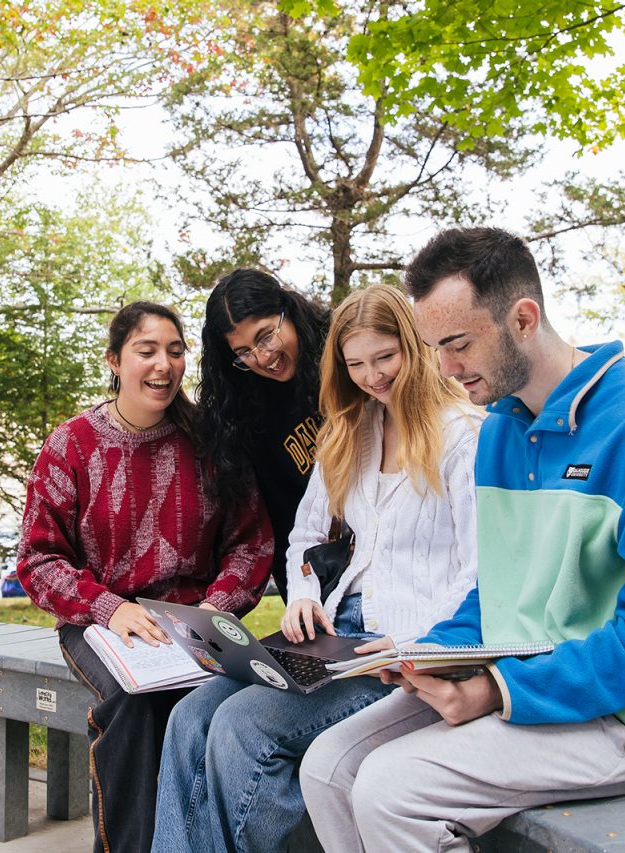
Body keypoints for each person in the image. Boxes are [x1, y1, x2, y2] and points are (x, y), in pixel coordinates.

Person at [300, 228, 625, 852]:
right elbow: (497, 589)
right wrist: (431, 652)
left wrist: (498, 690)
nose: (443, 368)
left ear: (523, 319)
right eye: (433, 347)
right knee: (329, 767)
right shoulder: (502, 431)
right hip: (527, 670)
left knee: (392, 790)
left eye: (457, 345)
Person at [152, 283, 482, 853]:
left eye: (385, 357)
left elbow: (477, 573)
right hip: (334, 630)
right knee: (190, 716)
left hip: (397, 647)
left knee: (244, 727)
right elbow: (306, 534)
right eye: (356, 365)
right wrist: (303, 593)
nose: (373, 377)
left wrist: (419, 643)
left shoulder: (463, 436)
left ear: (415, 344)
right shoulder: (354, 430)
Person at [15, 301, 273, 853]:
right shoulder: (72, 445)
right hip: (99, 621)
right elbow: (40, 560)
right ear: (114, 360)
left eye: (176, 352)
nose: (164, 365)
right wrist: (110, 608)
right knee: (132, 705)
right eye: (147, 351)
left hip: (196, 619)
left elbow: (251, 543)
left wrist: (215, 608)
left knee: (226, 706)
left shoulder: (209, 439)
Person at [196, 269, 332, 600]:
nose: (261, 358)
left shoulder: (344, 360)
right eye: (242, 352)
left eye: (265, 336)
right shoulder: (245, 409)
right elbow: (278, 517)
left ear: (288, 311)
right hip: (313, 576)